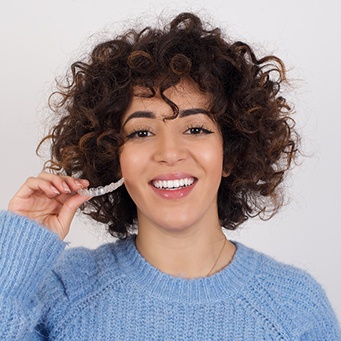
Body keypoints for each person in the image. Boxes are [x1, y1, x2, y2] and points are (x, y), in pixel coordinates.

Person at [0, 12, 340, 340]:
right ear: (114, 159)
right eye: (142, 133)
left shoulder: (294, 308)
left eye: (195, 128)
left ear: (231, 155)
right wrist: (16, 261)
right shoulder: (62, 289)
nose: (169, 152)